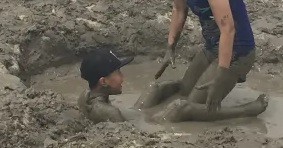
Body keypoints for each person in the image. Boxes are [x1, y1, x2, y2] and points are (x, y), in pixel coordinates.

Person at [78, 47, 267, 124]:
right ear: (103, 81)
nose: (123, 77)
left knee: (155, 87)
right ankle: (246, 111)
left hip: (137, 113)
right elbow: (134, 139)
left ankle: (191, 85)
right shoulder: (111, 114)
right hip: (152, 123)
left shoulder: (85, 96)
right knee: (180, 107)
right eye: (118, 73)